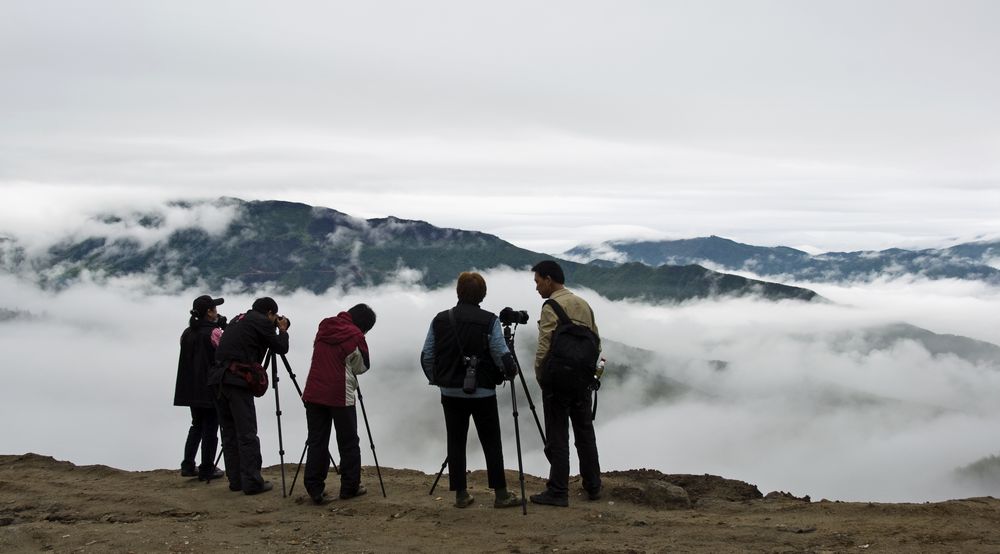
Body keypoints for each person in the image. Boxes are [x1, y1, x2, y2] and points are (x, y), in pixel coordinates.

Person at [421, 272, 521, 509]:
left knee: (455, 441)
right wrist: (510, 372)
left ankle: (461, 495)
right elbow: (499, 352)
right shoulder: (489, 320)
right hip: (483, 392)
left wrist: (438, 380)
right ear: (483, 294)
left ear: (458, 292)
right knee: (491, 441)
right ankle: (501, 494)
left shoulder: (440, 319)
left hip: (450, 393)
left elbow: (427, 355)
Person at [529, 260, 602, 507]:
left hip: (557, 382)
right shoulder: (584, 304)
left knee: (557, 435)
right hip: (581, 381)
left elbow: (544, 347)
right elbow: (597, 342)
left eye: (538, 282)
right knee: (585, 433)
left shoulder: (551, 306)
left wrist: (541, 376)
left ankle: (558, 490)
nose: (537, 288)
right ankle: (593, 486)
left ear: (549, 280)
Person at [208, 297, 290, 495]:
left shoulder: (239, 319)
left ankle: (235, 481)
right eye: (274, 316)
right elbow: (281, 347)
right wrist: (283, 331)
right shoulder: (262, 323)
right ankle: (252, 483)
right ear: (270, 313)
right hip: (237, 382)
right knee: (246, 433)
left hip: (217, 380)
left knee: (229, 433)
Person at [301, 303, 377, 505]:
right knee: (348, 441)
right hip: (339, 394)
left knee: (317, 440)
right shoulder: (355, 336)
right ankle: (349, 488)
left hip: (314, 391)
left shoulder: (324, 326)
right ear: (364, 326)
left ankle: (314, 488)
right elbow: (361, 367)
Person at [174, 294, 227, 481]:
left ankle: (188, 465)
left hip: (190, 389)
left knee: (196, 425)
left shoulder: (187, 333)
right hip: (210, 388)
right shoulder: (214, 333)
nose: (217, 312)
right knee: (211, 429)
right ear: (209, 312)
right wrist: (223, 328)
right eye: (214, 309)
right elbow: (224, 352)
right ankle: (207, 468)